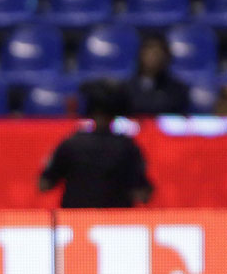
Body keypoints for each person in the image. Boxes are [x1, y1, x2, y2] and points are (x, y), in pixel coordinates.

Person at [39, 80, 153, 208]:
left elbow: (44, 185)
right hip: (115, 224)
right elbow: (143, 195)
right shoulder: (127, 146)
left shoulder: (71, 143)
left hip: (76, 222)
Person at [124, 34, 190, 116]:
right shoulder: (126, 89)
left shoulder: (178, 91)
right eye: (149, 50)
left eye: (158, 52)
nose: (153, 56)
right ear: (140, 54)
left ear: (166, 57)